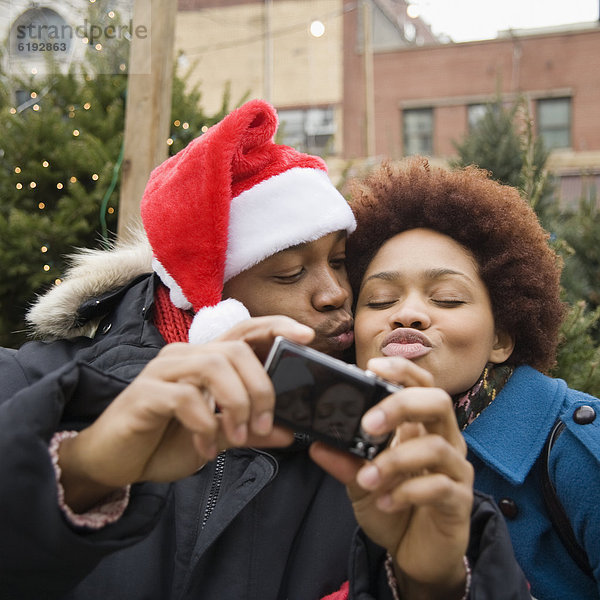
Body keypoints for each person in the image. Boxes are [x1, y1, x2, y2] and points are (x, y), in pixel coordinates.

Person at [0, 101, 529, 600]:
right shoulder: (29, 388)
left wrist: (434, 581)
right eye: (290, 272)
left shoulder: (381, 447)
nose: (335, 293)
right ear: (209, 300)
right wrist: (82, 470)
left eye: (341, 262)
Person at [345, 156, 600, 600]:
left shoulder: (580, 449)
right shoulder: (338, 451)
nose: (407, 313)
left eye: (446, 298)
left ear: (501, 338)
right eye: (381, 300)